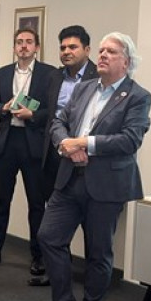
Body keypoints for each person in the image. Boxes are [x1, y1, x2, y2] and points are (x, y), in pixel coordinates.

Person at [36, 32, 151, 301]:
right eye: (101, 50)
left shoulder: (138, 96)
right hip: (69, 178)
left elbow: (129, 140)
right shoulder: (84, 88)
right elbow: (58, 122)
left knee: (98, 254)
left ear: (126, 62)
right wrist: (66, 144)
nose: (102, 55)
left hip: (107, 186)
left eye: (110, 52)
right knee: (48, 237)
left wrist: (84, 143)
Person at [0, 28, 55, 282]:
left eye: (28, 42)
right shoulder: (3, 73)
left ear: (37, 46)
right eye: (19, 42)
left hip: (32, 144)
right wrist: (2, 108)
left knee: (36, 204)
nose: (23, 46)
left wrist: (32, 115)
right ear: (14, 47)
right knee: (2, 200)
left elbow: (53, 110)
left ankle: (38, 256)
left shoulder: (49, 74)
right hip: (7, 142)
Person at [32, 25, 98, 286]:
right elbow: (52, 117)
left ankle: (93, 281)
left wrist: (80, 145)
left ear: (87, 50)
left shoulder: (97, 75)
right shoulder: (55, 77)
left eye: (73, 47)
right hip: (55, 156)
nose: (66, 52)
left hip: (87, 160)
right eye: (62, 47)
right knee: (56, 221)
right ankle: (58, 273)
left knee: (91, 227)